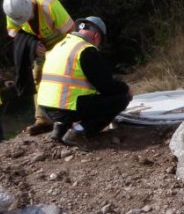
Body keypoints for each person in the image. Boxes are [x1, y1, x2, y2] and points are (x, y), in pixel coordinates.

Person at [37, 16, 132, 150]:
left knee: (80, 102)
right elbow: (106, 86)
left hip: (45, 107)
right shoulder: (86, 50)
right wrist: (125, 89)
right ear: (96, 36)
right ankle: (78, 132)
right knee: (120, 99)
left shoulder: (59, 46)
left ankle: (60, 128)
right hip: (65, 108)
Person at [3, 0, 74, 135]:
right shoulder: (13, 11)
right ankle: (43, 120)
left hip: (61, 42)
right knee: (38, 77)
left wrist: (59, 53)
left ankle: (73, 114)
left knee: (68, 75)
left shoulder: (51, 6)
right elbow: (16, 34)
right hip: (38, 45)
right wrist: (33, 45)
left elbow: (71, 34)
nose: (26, 21)